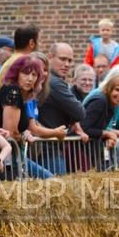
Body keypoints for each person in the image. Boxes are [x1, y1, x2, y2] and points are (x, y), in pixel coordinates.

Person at [0, 54, 59, 179]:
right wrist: (23, 135)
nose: (30, 79)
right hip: (4, 157)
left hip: (11, 155)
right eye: (25, 73)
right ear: (16, 73)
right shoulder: (13, 91)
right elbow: (10, 132)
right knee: (51, 180)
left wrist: (24, 132)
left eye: (34, 75)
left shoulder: (19, 94)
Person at [38, 42, 88, 175]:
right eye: (62, 59)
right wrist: (72, 116)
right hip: (49, 151)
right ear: (50, 57)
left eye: (70, 60)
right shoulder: (55, 83)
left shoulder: (50, 81)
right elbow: (80, 112)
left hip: (47, 148)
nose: (66, 64)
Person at [0, 23, 41, 89]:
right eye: (39, 40)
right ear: (31, 43)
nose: (40, 44)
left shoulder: (12, 60)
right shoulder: (24, 62)